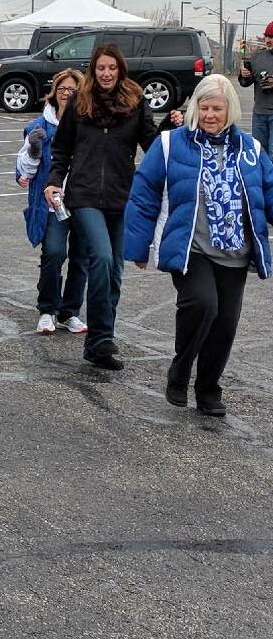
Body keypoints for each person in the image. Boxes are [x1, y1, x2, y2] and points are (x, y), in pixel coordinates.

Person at [125, 75, 273, 416]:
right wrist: (138, 246)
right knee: (203, 305)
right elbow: (144, 194)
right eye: (204, 107)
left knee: (225, 324)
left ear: (230, 110)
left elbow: (267, 193)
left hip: (235, 251)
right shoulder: (170, 144)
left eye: (217, 108)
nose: (210, 114)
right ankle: (180, 369)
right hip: (191, 247)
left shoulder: (251, 150)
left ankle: (208, 389)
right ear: (195, 108)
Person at [45, 44, 181, 371]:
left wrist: (171, 128)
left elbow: (151, 145)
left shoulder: (135, 104)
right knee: (102, 258)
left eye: (112, 68)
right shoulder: (80, 102)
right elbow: (61, 149)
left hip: (123, 197)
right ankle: (102, 337)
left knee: (115, 272)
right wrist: (53, 181)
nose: (106, 74)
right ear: (94, 70)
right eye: (101, 68)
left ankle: (98, 344)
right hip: (84, 195)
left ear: (120, 70)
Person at [16, 69, 87, 335]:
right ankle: (47, 309)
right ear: (54, 93)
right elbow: (24, 173)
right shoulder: (38, 126)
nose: (67, 94)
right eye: (62, 89)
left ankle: (70, 312)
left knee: (81, 258)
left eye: (73, 90)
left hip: (83, 202)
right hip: (52, 204)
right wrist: (34, 150)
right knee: (54, 253)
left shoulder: (88, 123)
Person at [239, 21, 273, 158]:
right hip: (259, 113)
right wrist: (244, 75)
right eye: (267, 36)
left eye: (271, 37)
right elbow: (245, 82)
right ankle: (262, 179)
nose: (268, 40)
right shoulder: (258, 57)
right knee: (259, 152)